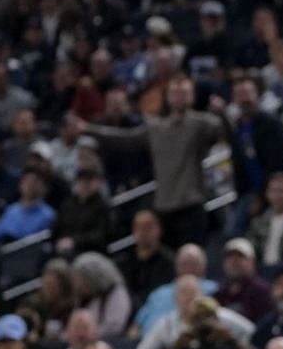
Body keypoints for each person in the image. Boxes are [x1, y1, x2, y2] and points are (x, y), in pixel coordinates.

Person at [87, 74, 228, 245]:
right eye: (175, 92)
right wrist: (87, 128)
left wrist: (223, 114)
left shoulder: (202, 123)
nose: (179, 97)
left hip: (191, 206)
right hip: (163, 207)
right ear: (167, 96)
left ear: (192, 96)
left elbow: (225, 134)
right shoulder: (156, 128)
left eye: (183, 92)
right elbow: (125, 139)